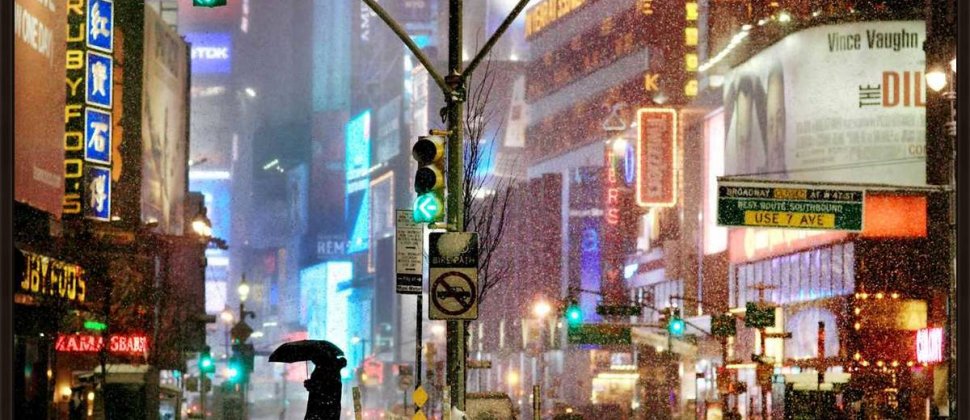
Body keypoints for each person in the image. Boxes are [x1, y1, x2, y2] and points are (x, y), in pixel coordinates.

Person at [304, 351, 347, 420]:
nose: (312, 359)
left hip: (320, 410)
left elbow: (323, 389)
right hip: (329, 409)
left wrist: (311, 385)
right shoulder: (332, 368)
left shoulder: (323, 369)